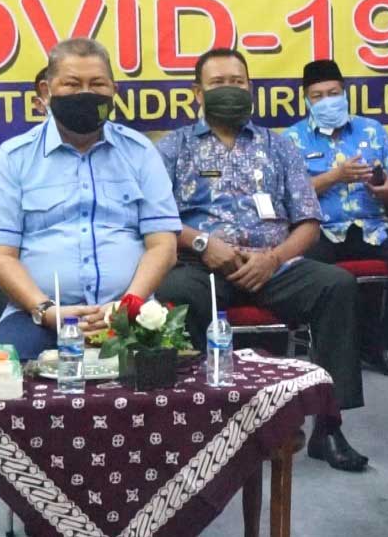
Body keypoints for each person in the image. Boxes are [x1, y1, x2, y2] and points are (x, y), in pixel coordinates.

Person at [154, 48, 368, 472]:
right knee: (173, 293)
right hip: (202, 266)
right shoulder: (173, 147)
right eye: (218, 83)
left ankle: (329, 427)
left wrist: (274, 258)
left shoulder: (279, 146)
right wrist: (203, 244)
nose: (230, 90)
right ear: (197, 92)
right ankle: (200, 424)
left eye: (237, 82)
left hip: (273, 265)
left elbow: (308, 222)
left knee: (337, 285)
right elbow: (155, 220)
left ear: (250, 87)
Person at [0, 38, 180, 359]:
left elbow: (163, 246)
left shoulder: (140, 152)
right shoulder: (13, 158)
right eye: (72, 84)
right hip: (38, 316)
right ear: (46, 91)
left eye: (97, 84)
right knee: (8, 371)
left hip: (130, 313)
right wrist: (46, 311)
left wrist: (127, 306)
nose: (86, 93)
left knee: (166, 375)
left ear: (114, 91)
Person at [285, 59, 388, 376]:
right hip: (321, 231)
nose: (327, 101)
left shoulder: (371, 130)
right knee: (302, 272)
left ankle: (384, 344)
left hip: (374, 226)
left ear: (344, 93)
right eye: (318, 96)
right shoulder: (291, 139)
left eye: (333, 93)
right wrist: (335, 176)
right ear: (306, 101)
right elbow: (287, 195)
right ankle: (324, 351)